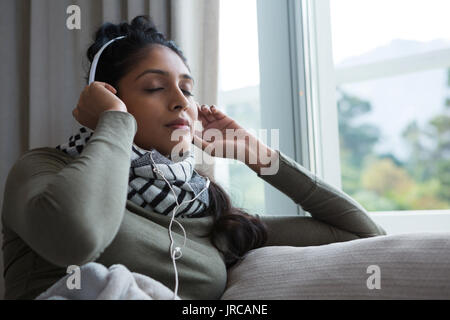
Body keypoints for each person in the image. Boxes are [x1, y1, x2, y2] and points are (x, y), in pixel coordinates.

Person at [1, 15, 386, 300]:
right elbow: (75, 238)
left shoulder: (206, 215)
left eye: (187, 89)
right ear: (106, 96)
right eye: (154, 86)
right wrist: (115, 122)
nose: (181, 102)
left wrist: (256, 154)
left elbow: (362, 235)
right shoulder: (44, 168)